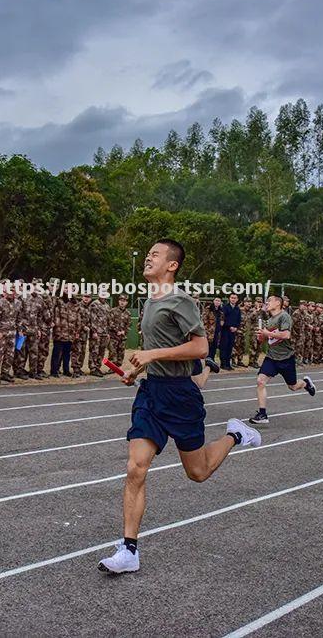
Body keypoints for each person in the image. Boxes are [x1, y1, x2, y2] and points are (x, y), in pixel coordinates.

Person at [98, 239, 261, 575]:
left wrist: (153, 356)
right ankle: (129, 550)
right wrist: (134, 369)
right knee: (135, 468)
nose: (148, 257)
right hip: (151, 393)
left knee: (198, 472)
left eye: (155, 255)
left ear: (172, 265)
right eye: (148, 254)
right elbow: (153, 348)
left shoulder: (181, 300)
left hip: (180, 395)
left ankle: (235, 433)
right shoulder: (150, 301)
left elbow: (200, 347)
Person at [247, 295, 316, 427]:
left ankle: (306, 384)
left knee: (293, 386)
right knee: (260, 381)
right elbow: (265, 340)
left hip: (286, 358)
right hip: (272, 357)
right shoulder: (269, 320)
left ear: (278, 303)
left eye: (269, 301)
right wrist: (261, 336)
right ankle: (262, 414)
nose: (267, 303)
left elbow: (286, 335)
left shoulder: (285, 316)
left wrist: (268, 334)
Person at [218, 293, 241, 370]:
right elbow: (223, 319)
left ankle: (228, 364)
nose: (233, 299)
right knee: (224, 347)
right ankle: (223, 364)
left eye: (235, 298)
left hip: (233, 331)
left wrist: (236, 327)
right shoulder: (225, 307)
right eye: (232, 298)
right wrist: (229, 326)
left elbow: (239, 320)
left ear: (237, 299)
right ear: (229, 299)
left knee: (230, 348)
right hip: (225, 330)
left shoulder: (237, 309)